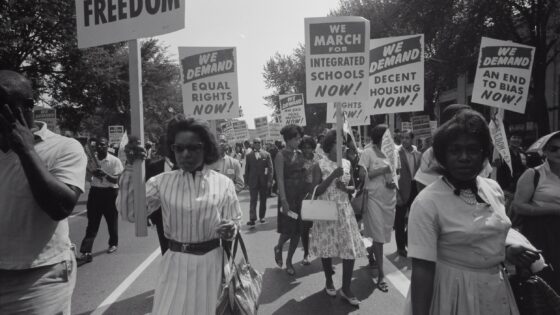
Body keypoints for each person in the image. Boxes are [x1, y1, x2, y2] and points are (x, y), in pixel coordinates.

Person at [406, 110, 539, 315]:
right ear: (443, 156)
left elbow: (485, 238)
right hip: (452, 295)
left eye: (473, 150)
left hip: (495, 292)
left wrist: (507, 253)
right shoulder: (427, 202)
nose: (464, 157)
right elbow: (422, 270)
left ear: (484, 154)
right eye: (455, 150)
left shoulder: (493, 189)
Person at [118, 116, 241, 315]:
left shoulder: (223, 183)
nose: (185, 154)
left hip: (212, 266)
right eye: (179, 148)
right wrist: (131, 167)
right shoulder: (160, 182)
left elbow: (234, 220)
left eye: (193, 148)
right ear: (172, 149)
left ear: (206, 149)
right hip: (175, 263)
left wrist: (230, 229)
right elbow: (130, 213)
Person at [0, 70, 87, 314]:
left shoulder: (64, 147)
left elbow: (60, 207)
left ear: (25, 107)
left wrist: (26, 150)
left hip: (40, 279)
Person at [309, 129, 366, 306]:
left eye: (342, 142)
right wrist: (333, 176)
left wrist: (345, 188)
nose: (341, 145)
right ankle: (328, 280)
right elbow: (315, 191)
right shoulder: (319, 164)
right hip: (325, 210)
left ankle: (346, 289)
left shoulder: (347, 163)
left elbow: (354, 189)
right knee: (327, 249)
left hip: (344, 210)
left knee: (350, 250)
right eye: (337, 142)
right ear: (329, 145)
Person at [512, 131, 560, 294]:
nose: (559, 152)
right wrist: (553, 209)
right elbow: (519, 206)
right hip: (541, 234)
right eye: (554, 149)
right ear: (544, 151)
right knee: (546, 281)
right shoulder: (533, 174)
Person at [359, 124, 397, 292]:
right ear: (380, 137)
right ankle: (381, 275)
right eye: (387, 135)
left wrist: (392, 182)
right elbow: (362, 176)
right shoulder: (367, 152)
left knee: (381, 236)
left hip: (389, 200)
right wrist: (382, 169)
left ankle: (371, 250)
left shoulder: (394, 153)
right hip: (373, 199)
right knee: (379, 237)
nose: (390, 138)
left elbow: (397, 172)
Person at [78, 137, 124, 263]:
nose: (100, 147)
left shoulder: (115, 161)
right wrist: (93, 174)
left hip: (110, 194)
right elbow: (88, 178)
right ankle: (86, 251)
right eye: (98, 145)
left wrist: (104, 174)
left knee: (111, 221)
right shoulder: (91, 161)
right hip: (95, 193)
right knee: (92, 223)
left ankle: (113, 243)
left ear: (107, 145)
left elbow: (117, 180)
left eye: (103, 145)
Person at [274, 125, 306, 275]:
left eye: (299, 138)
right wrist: (284, 200)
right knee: (288, 230)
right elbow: (279, 179)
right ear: (288, 139)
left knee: (298, 231)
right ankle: (279, 246)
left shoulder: (300, 154)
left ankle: (289, 261)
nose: (299, 141)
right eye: (296, 138)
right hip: (288, 198)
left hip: (301, 198)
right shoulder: (280, 155)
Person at [395, 130, 422, 257]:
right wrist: (396, 193)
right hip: (401, 189)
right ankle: (400, 247)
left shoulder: (418, 154)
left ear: (412, 139)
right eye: (402, 138)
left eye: (407, 138)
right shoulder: (396, 154)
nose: (404, 140)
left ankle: (407, 240)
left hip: (415, 188)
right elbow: (393, 174)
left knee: (414, 219)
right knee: (399, 220)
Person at [299, 135, 322, 266]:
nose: (307, 150)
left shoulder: (320, 159)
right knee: (305, 227)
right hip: (304, 197)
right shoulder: (298, 160)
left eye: (309, 147)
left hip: (319, 195)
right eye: (304, 147)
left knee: (319, 226)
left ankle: (322, 252)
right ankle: (306, 253)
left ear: (314, 147)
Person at [244, 137, 273, 227]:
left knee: (263, 200)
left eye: (258, 142)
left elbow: (270, 169)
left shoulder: (266, 154)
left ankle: (262, 217)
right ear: (253, 144)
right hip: (253, 181)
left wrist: (269, 180)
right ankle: (252, 218)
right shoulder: (249, 155)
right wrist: (246, 182)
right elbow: (247, 169)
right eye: (255, 142)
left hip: (263, 181)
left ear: (261, 144)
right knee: (253, 200)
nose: (257, 144)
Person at [496, 132, 527, 215]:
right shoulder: (503, 153)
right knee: (504, 212)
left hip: (518, 187)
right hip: (506, 187)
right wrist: (505, 185)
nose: (516, 140)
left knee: (515, 213)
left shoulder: (522, 153)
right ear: (509, 139)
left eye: (519, 138)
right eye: (514, 137)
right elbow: (499, 169)